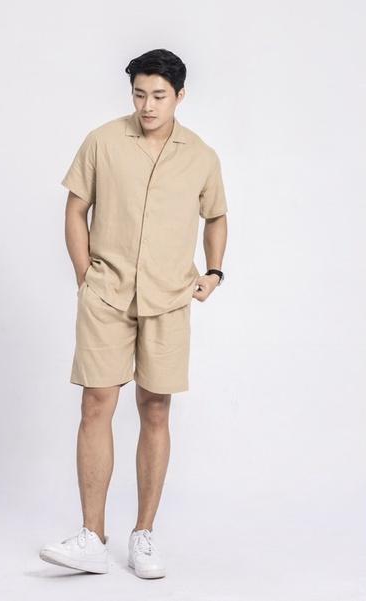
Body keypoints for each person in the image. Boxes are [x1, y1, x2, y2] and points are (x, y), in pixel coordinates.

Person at [39, 48, 228, 579]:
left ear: (180, 96)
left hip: (168, 298)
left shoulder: (202, 156)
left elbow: (216, 215)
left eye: (159, 96)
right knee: (96, 403)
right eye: (140, 94)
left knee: (156, 409)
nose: (147, 106)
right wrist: (84, 275)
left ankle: (143, 534)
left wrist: (214, 271)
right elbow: (76, 207)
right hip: (107, 294)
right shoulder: (102, 141)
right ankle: (91, 537)